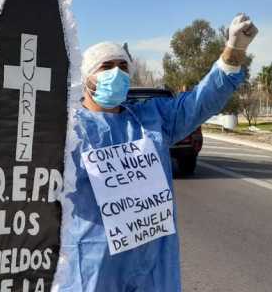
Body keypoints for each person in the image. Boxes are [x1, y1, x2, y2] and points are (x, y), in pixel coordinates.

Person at [59, 14, 257, 291]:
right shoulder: (66, 131)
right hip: (95, 269)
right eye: (106, 66)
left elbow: (201, 101)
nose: (116, 73)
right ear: (87, 77)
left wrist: (233, 51)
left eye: (122, 66)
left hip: (153, 268)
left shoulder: (152, 119)